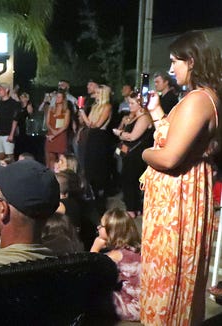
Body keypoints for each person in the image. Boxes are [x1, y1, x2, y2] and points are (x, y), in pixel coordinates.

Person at [139, 30, 222, 325]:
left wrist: (144, 154)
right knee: (173, 274)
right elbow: (174, 139)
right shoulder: (197, 97)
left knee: (169, 276)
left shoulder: (198, 99)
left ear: (193, 61)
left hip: (177, 205)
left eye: (175, 62)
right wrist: (158, 113)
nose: (171, 69)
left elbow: (170, 157)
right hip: (175, 199)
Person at [90, 208, 141, 322]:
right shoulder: (135, 249)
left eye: (101, 226)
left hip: (128, 308)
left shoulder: (115, 256)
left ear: (112, 230)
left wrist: (95, 248)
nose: (98, 227)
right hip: (142, 305)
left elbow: (89, 271)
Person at [111, 92, 153, 218]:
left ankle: (131, 209)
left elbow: (133, 136)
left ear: (140, 105)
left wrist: (119, 133)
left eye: (132, 103)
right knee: (130, 180)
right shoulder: (133, 117)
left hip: (136, 154)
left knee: (130, 180)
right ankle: (135, 208)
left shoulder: (144, 118)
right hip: (129, 153)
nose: (129, 105)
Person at [78, 85, 113, 200]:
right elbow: (88, 123)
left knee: (97, 164)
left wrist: (83, 114)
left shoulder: (107, 107)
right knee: (88, 163)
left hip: (100, 137)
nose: (95, 95)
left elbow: (96, 125)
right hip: (91, 136)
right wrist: (82, 116)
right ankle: (90, 190)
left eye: (98, 93)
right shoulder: (95, 106)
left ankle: (99, 191)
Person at [0, 83, 21, 163]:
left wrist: (11, 134)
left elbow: (15, 120)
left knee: (9, 156)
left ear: (6, 90)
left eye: (0, 90)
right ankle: (1, 172)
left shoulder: (14, 104)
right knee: (0, 155)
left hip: (8, 133)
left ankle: (13, 173)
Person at [44, 91, 71, 169]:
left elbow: (65, 125)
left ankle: (61, 173)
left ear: (63, 99)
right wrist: (52, 132)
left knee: (61, 157)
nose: (57, 98)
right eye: (56, 97)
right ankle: (51, 173)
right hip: (51, 134)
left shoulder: (66, 111)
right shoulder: (51, 109)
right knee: (50, 157)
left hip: (60, 134)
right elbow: (48, 122)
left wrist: (55, 134)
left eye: (59, 97)